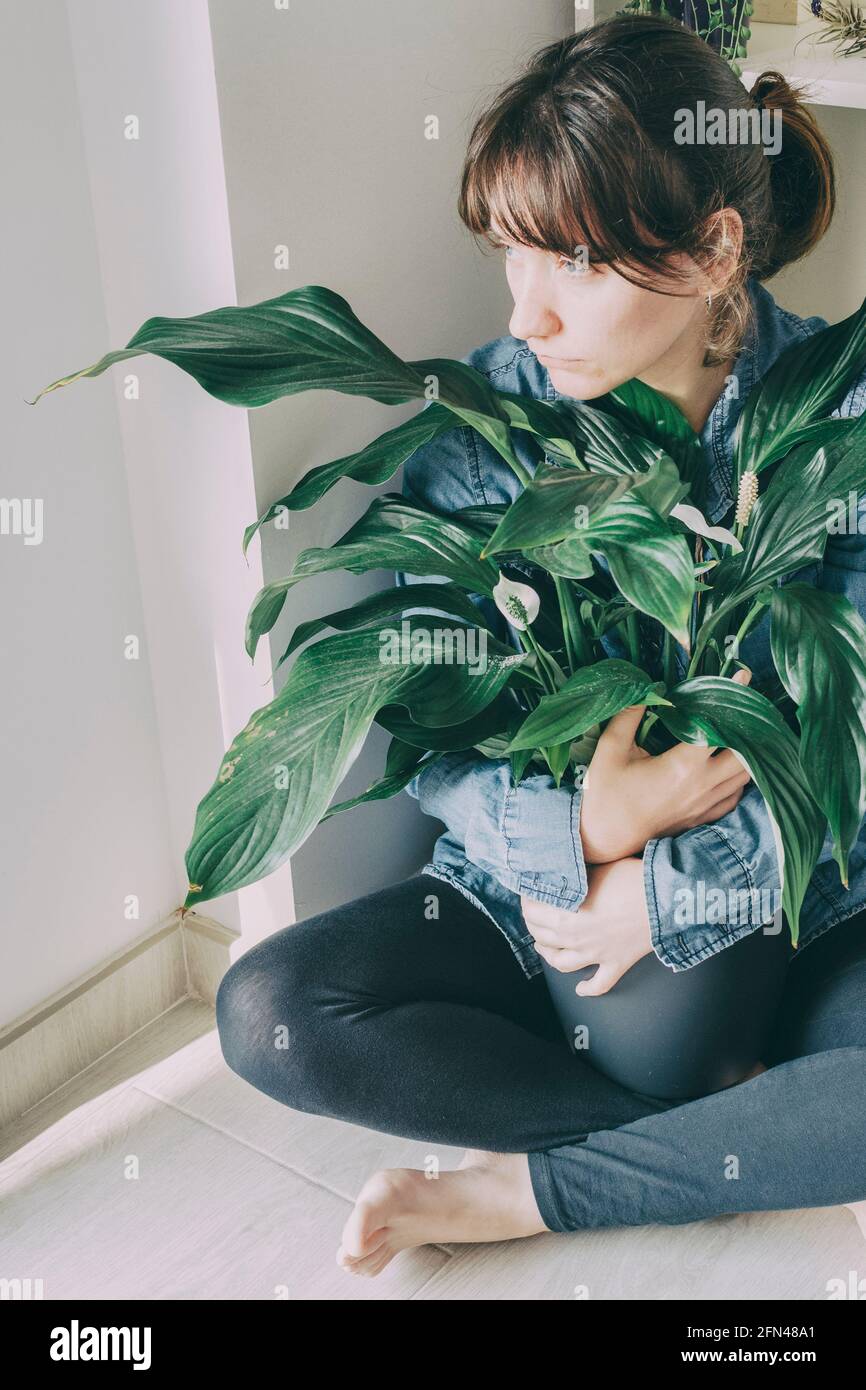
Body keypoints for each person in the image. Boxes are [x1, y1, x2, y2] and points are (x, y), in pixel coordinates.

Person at [215, 14, 866, 1279]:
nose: (528, 313)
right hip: (543, 913)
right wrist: (583, 837)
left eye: (569, 262)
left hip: (806, 905)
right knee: (270, 1013)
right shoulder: (483, 419)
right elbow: (428, 728)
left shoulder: (838, 413)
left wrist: (670, 894)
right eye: (507, 255)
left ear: (712, 247)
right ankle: (759, 1140)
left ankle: (526, 1191)